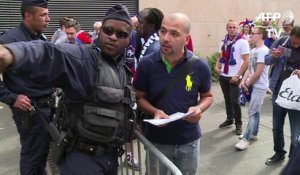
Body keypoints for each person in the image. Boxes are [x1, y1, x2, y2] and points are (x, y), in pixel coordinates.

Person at [0, 4, 136, 175]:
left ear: (129, 38)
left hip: (109, 157)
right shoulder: (84, 59)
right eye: (108, 30)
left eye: (121, 34)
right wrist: (11, 54)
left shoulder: (122, 68)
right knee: (33, 157)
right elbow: (49, 53)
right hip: (82, 160)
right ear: (100, 31)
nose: (113, 37)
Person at [133, 13, 213, 175]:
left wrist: (199, 109)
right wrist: (154, 111)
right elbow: (138, 96)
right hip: (157, 141)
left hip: (189, 142)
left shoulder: (200, 66)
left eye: (174, 33)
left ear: (187, 39)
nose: (165, 38)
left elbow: (208, 96)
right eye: (163, 31)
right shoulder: (146, 64)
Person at [0, 1, 52, 174]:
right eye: (43, 15)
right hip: (31, 110)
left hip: (46, 107)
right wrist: (12, 98)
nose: (48, 19)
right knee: (32, 157)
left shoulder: (39, 36)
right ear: (28, 16)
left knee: (42, 154)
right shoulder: (10, 40)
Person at [264, 25, 300, 165]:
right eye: (294, 42)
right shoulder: (281, 42)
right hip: (279, 93)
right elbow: (266, 60)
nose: (296, 45)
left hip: (296, 96)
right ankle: (279, 153)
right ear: (290, 35)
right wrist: (273, 56)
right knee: (277, 126)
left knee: (296, 132)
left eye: (299, 43)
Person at [235, 27, 270, 150]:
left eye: (253, 34)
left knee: (252, 113)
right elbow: (250, 69)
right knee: (255, 110)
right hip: (251, 84)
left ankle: (246, 139)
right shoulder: (254, 50)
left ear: (260, 35)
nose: (250, 36)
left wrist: (247, 84)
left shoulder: (264, 51)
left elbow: (258, 72)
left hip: (259, 86)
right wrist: (243, 81)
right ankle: (254, 133)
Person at [215, 20, 250, 135]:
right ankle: (230, 119)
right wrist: (216, 67)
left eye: (234, 27)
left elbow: (246, 61)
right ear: (227, 28)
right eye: (230, 27)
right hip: (224, 75)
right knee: (227, 98)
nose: (232, 29)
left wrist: (238, 75)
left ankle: (238, 124)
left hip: (235, 76)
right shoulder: (223, 42)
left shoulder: (242, 42)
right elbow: (220, 57)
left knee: (235, 101)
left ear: (237, 29)